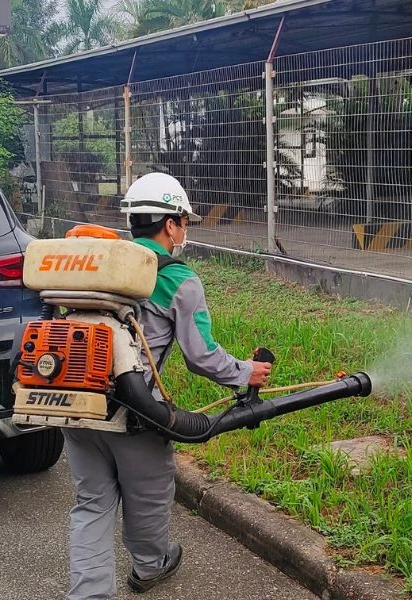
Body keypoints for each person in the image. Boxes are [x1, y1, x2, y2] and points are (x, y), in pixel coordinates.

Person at [62, 172, 272, 598]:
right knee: (148, 496)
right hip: (137, 413)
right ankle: (150, 566)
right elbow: (202, 356)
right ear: (171, 223)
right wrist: (245, 372)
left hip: (76, 401)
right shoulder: (178, 277)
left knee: (92, 503)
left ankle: (88, 595)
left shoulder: (99, 260)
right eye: (184, 223)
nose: (184, 232)